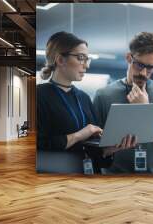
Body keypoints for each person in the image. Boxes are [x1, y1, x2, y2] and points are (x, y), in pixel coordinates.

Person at [37, 31, 135, 174]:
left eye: (87, 59)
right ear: (60, 60)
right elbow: (40, 146)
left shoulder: (84, 98)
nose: (86, 65)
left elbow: (95, 154)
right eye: (80, 58)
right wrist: (80, 134)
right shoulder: (40, 95)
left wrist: (111, 148)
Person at [93, 32, 153, 174]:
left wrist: (146, 109)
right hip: (115, 180)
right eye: (139, 65)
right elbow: (94, 147)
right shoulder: (103, 95)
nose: (144, 73)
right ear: (128, 58)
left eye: (150, 67)